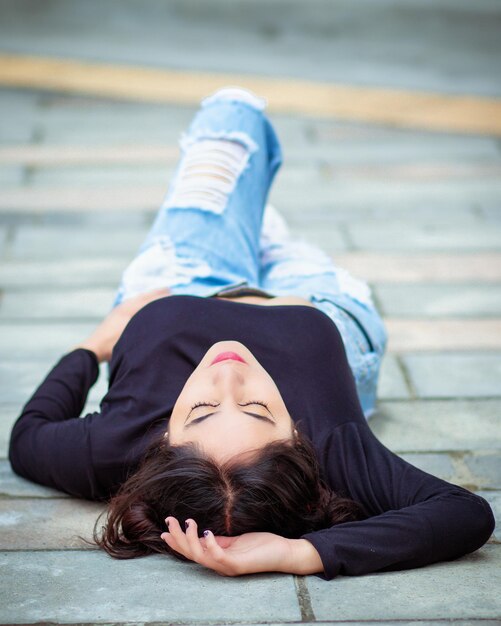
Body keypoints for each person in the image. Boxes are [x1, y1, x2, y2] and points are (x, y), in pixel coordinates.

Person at [8, 88, 494, 579]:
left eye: (199, 410)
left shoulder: (116, 444)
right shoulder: (333, 449)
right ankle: (264, 234)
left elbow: (27, 439)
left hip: (188, 282)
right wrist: (299, 554)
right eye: (259, 409)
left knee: (230, 118)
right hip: (315, 302)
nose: (228, 377)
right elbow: (464, 514)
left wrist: (96, 343)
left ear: (162, 441)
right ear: (299, 442)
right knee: (267, 220)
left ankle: (249, 227)